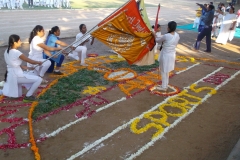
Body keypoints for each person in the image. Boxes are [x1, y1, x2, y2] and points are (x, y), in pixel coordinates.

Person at [2, 34, 43, 102]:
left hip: (11, 75)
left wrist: (28, 68)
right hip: (16, 76)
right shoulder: (17, 52)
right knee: (39, 79)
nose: (21, 42)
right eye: (19, 40)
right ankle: (28, 96)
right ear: (15, 42)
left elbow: (13, 64)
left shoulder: (6, 51)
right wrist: (38, 62)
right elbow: (29, 60)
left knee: (18, 94)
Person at [153, 21, 180, 91]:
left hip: (165, 55)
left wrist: (154, 34)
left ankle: (164, 86)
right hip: (172, 54)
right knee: (166, 71)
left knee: (163, 70)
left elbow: (157, 40)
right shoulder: (177, 35)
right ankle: (165, 84)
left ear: (169, 28)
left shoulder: (166, 36)